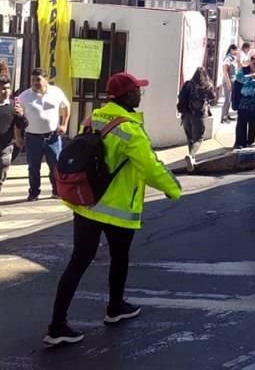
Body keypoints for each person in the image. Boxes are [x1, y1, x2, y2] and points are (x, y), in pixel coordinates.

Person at [44, 72, 182, 347]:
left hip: (87, 202)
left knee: (78, 261)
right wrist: (173, 189)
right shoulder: (130, 129)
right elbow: (149, 166)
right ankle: (115, 308)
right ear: (126, 96)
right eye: (136, 90)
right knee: (120, 258)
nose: (140, 94)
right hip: (117, 208)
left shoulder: (93, 117)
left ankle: (57, 325)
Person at [20, 67, 70, 201]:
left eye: (38, 80)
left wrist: (64, 124)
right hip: (32, 137)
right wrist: (18, 136)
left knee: (55, 166)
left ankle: (57, 191)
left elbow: (66, 107)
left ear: (46, 80)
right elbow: (18, 117)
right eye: (32, 80)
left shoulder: (56, 92)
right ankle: (34, 192)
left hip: (52, 137)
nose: (35, 83)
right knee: (33, 167)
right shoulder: (24, 96)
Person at [177, 68, 217, 172]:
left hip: (186, 115)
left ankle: (192, 161)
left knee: (190, 138)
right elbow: (213, 97)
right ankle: (191, 156)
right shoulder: (207, 85)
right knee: (199, 138)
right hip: (198, 116)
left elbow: (181, 96)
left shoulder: (188, 84)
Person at [0, 77, 27, 214]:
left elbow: (23, 125)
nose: (6, 91)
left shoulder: (13, 107)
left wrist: (21, 116)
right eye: (3, 88)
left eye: (8, 88)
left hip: (5, 148)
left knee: (1, 177)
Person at [220, 44, 239, 123]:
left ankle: (226, 115)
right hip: (228, 81)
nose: (236, 51)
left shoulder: (232, 58)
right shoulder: (228, 58)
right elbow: (225, 70)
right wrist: (228, 82)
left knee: (229, 99)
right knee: (227, 100)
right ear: (231, 49)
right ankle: (223, 117)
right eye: (235, 50)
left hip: (232, 81)